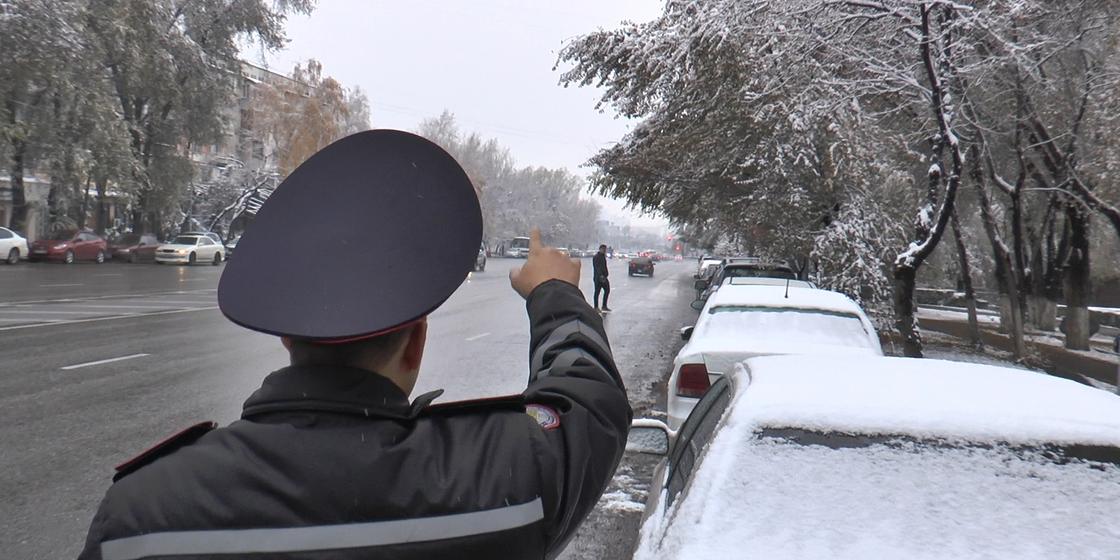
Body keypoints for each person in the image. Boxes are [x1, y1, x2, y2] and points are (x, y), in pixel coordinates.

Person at [78, 130, 631, 559]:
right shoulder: (505, 478)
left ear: (289, 333)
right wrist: (553, 291)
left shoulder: (140, 514)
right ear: (414, 345)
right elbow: (591, 402)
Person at [593, 243, 611, 312]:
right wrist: (601, 275)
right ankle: (596, 307)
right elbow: (597, 267)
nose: (604, 250)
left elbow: (604, 267)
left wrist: (606, 274)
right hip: (598, 277)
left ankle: (604, 306)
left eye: (605, 249)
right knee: (597, 292)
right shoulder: (596, 257)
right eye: (603, 249)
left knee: (607, 290)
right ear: (600, 249)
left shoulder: (603, 256)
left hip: (604, 277)